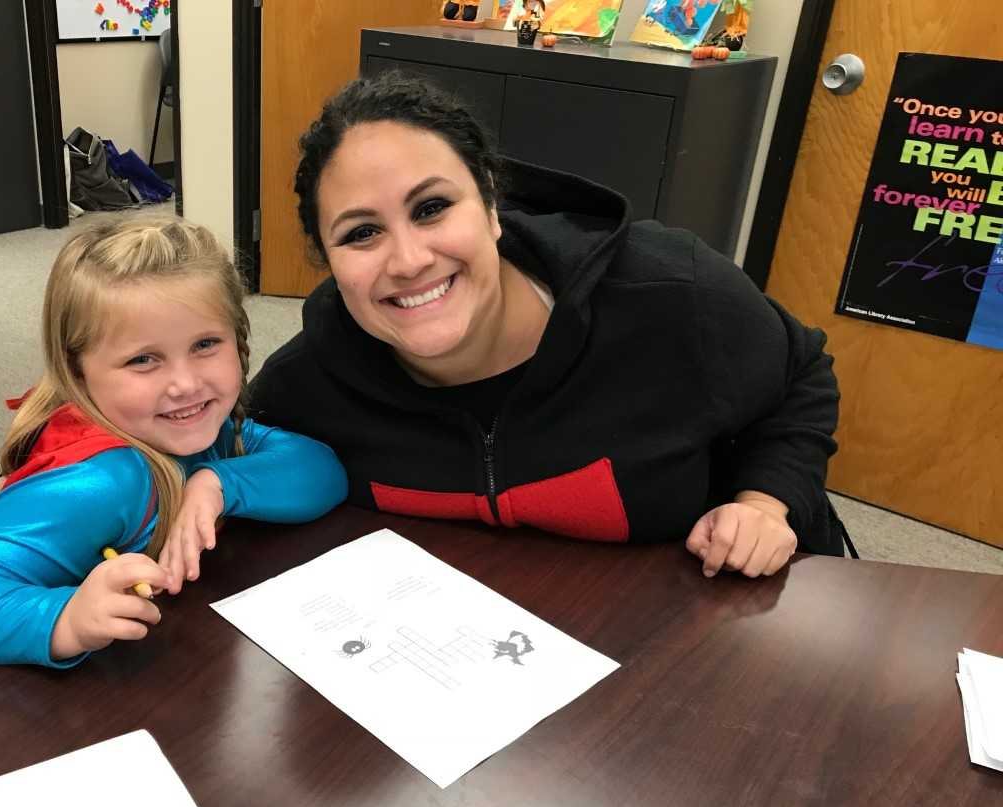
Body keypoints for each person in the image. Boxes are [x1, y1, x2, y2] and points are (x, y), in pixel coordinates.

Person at [249, 73, 843, 580]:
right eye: (360, 233)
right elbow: (207, 456)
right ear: (330, 263)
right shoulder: (306, 384)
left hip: (700, 635)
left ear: (489, 206)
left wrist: (765, 504)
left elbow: (801, 373)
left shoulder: (670, 295)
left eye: (431, 208)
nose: (407, 261)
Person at [0, 217, 347, 707]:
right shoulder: (107, 478)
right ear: (78, 373)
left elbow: (321, 470)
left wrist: (217, 481)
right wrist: (65, 618)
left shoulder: (195, 431)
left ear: (238, 340)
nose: (184, 384)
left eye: (205, 345)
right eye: (144, 360)